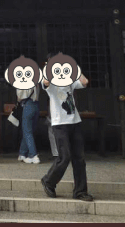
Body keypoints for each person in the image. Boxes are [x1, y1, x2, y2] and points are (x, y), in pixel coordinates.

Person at [40, 57, 94, 202]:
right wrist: (50, 69)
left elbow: (84, 82)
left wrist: (74, 68)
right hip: (59, 123)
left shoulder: (70, 80)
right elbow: (45, 82)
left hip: (75, 121)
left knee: (80, 158)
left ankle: (80, 191)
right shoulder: (50, 84)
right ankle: (49, 181)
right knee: (65, 156)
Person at [16, 77, 41, 164]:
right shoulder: (36, 80)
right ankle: (22, 153)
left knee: (27, 131)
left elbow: (19, 97)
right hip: (36, 105)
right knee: (28, 131)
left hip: (27, 105)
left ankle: (33, 155)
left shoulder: (23, 81)